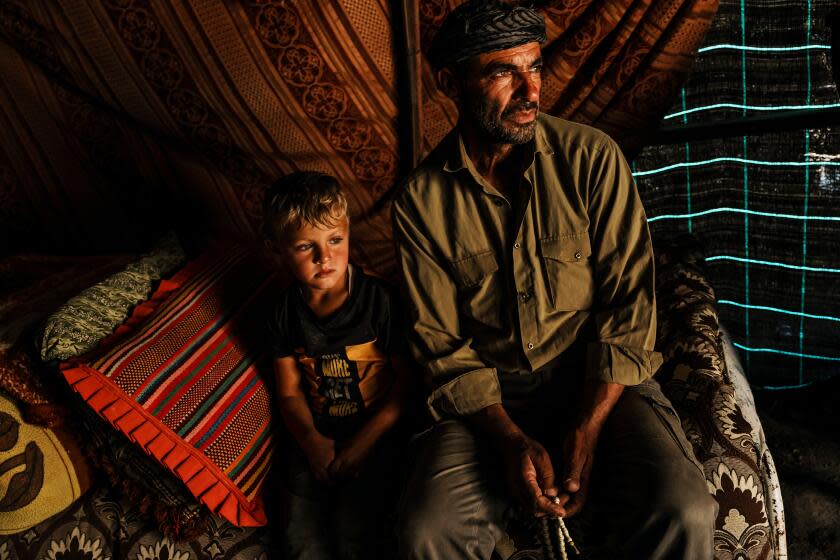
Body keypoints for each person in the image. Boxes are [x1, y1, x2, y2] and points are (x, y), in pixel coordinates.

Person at [391, 1, 718, 559]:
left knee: (683, 509)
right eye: (502, 72)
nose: (529, 90)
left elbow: (628, 306)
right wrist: (510, 439)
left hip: (593, 375)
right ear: (450, 82)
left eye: (535, 67)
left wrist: (586, 430)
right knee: (425, 530)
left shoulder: (593, 159)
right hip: (491, 397)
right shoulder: (421, 202)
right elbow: (442, 348)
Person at [264, 171, 408, 559]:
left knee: (353, 530)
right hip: (317, 436)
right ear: (279, 249)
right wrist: (312, 443)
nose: (324, 258)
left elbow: (405, 388)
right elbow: (290, 391)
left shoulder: (380, 301)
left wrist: (362, 445)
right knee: (300, 535)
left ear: (348, 233)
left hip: (377, 436)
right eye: (304, 247)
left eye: (335, 240)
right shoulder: (283, 314)